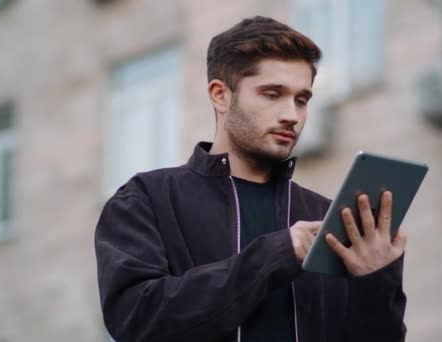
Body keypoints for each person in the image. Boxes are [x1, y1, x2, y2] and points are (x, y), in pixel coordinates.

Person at [95, 16, 408, 342]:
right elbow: (136, 320)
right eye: (272, 94)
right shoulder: (147, 199)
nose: (292, 115)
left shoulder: (327, 219)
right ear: (220, 95)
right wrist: (276, 254)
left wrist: (376, 279)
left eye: (301, 100)